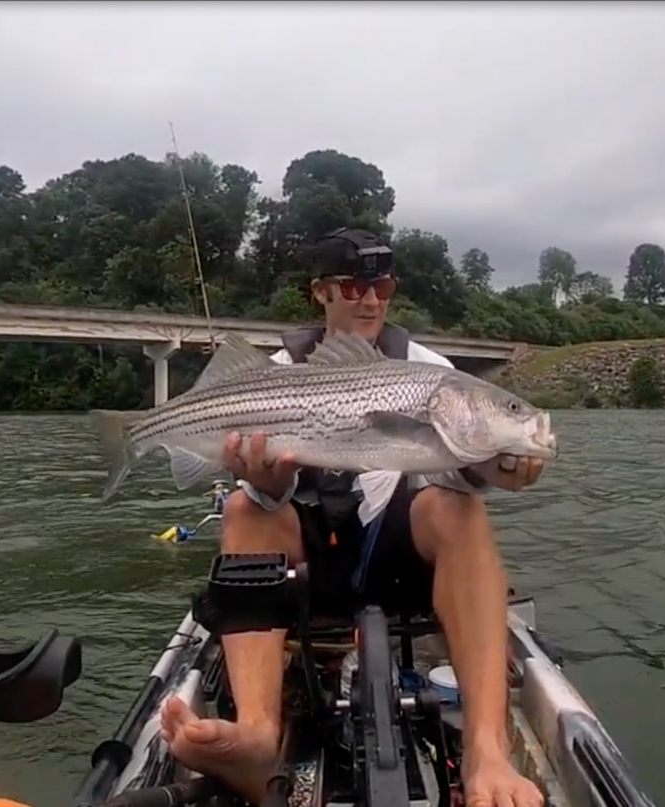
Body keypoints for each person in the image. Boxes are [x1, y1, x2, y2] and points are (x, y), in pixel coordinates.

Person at [159, 227, 547, 807]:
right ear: (320, 292)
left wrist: (491, 468)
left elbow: (454, 475)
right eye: (352, 287)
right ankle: (257, 736)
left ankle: (487, 750)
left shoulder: (430, 370)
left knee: (460, 509)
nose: (369, 300)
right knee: (244, 507)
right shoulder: (274, 372)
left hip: (402, 561)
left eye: (382, 287)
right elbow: (268, 497)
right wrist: (263, 477)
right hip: (310, 562)